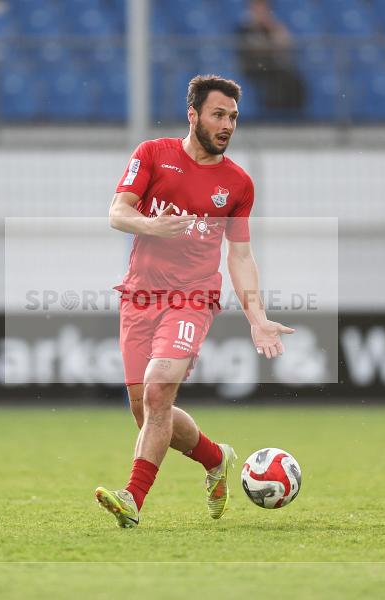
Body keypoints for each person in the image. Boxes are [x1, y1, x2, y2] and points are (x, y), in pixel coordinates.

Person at [95, 75, 295, 528]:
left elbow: (240, 255)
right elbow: (117, 212)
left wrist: (257, 317)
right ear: (193, 115)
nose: (227, 125)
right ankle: (215, 459)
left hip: (192, 298)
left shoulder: (238, 184)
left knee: (159, 389)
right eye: (218, 115)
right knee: (146, 409)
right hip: (139, 296)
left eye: (233, 117)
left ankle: (132, 499)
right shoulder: (153, 154)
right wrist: (152, 225)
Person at [237, 0, 306, 112]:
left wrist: (272, 26)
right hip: (254, 68)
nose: (260, 12)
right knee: (274, 83)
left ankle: (292, 114)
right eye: (257, 9)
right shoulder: (244, 29)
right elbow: (254, 50)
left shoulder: (269, 28)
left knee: (294, 80)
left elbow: (286, 43)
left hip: (273, 67)